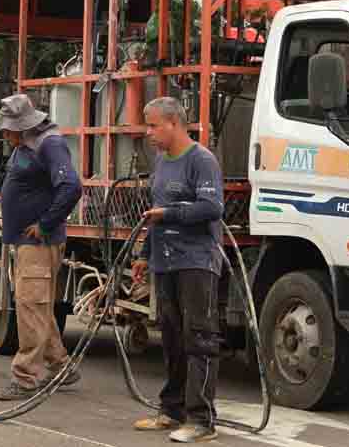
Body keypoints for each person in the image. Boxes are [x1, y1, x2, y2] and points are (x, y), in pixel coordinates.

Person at [130, 97, 224, 443]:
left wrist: (170, 215)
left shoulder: (201, 160)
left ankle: (202, 420)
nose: (149, 133)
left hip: (197, 260)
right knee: (171, 337)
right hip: (165, 259)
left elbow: (211, 207)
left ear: (173, 123)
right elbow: (156, 211)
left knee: (198, 337)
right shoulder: (162, 161)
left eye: (153, 126)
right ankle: (172, 410)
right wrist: (144, 254)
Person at [0, 94, 82, 401]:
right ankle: (61, 365)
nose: (4, 134)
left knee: (30, 306)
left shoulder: (49, 145)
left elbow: (71, 187)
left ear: (22, 126)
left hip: (38, 241)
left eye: (7, 128)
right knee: (36, 305)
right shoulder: (28, 145)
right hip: (28, 241)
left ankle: (25, 376)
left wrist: (44, 224)